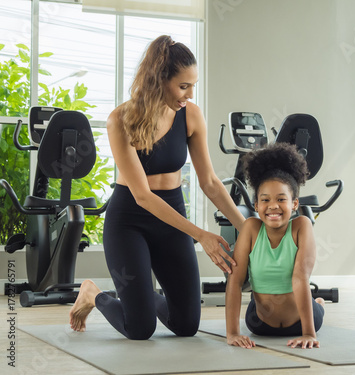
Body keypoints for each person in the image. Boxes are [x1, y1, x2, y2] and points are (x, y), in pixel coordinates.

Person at [69, 35, 245, 340]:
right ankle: (92, 294)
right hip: (129, 220)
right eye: (183, 86)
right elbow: (143, 196)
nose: (189, 94)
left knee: (186, 324)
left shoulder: (190, 114)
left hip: (172, 214)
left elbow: (210, 182)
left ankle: (141, 302)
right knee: (139, 328)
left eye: (193, 86)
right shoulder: (120, 120)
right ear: (158, 80)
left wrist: (248, 228)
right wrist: (201, 235)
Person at [225, 142, 325, 349]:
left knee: (316, 308)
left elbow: (300, 278)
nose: (273, 206)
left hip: (300, 323)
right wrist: (233, 333)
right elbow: (235, 281)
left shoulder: (301, 226)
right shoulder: (251, 228)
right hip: (259, 324)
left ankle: (319, 305)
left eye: (281, 199)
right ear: (256, 205)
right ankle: (317, 302)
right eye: (265, 200)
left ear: (294, 204)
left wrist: (308, 334)